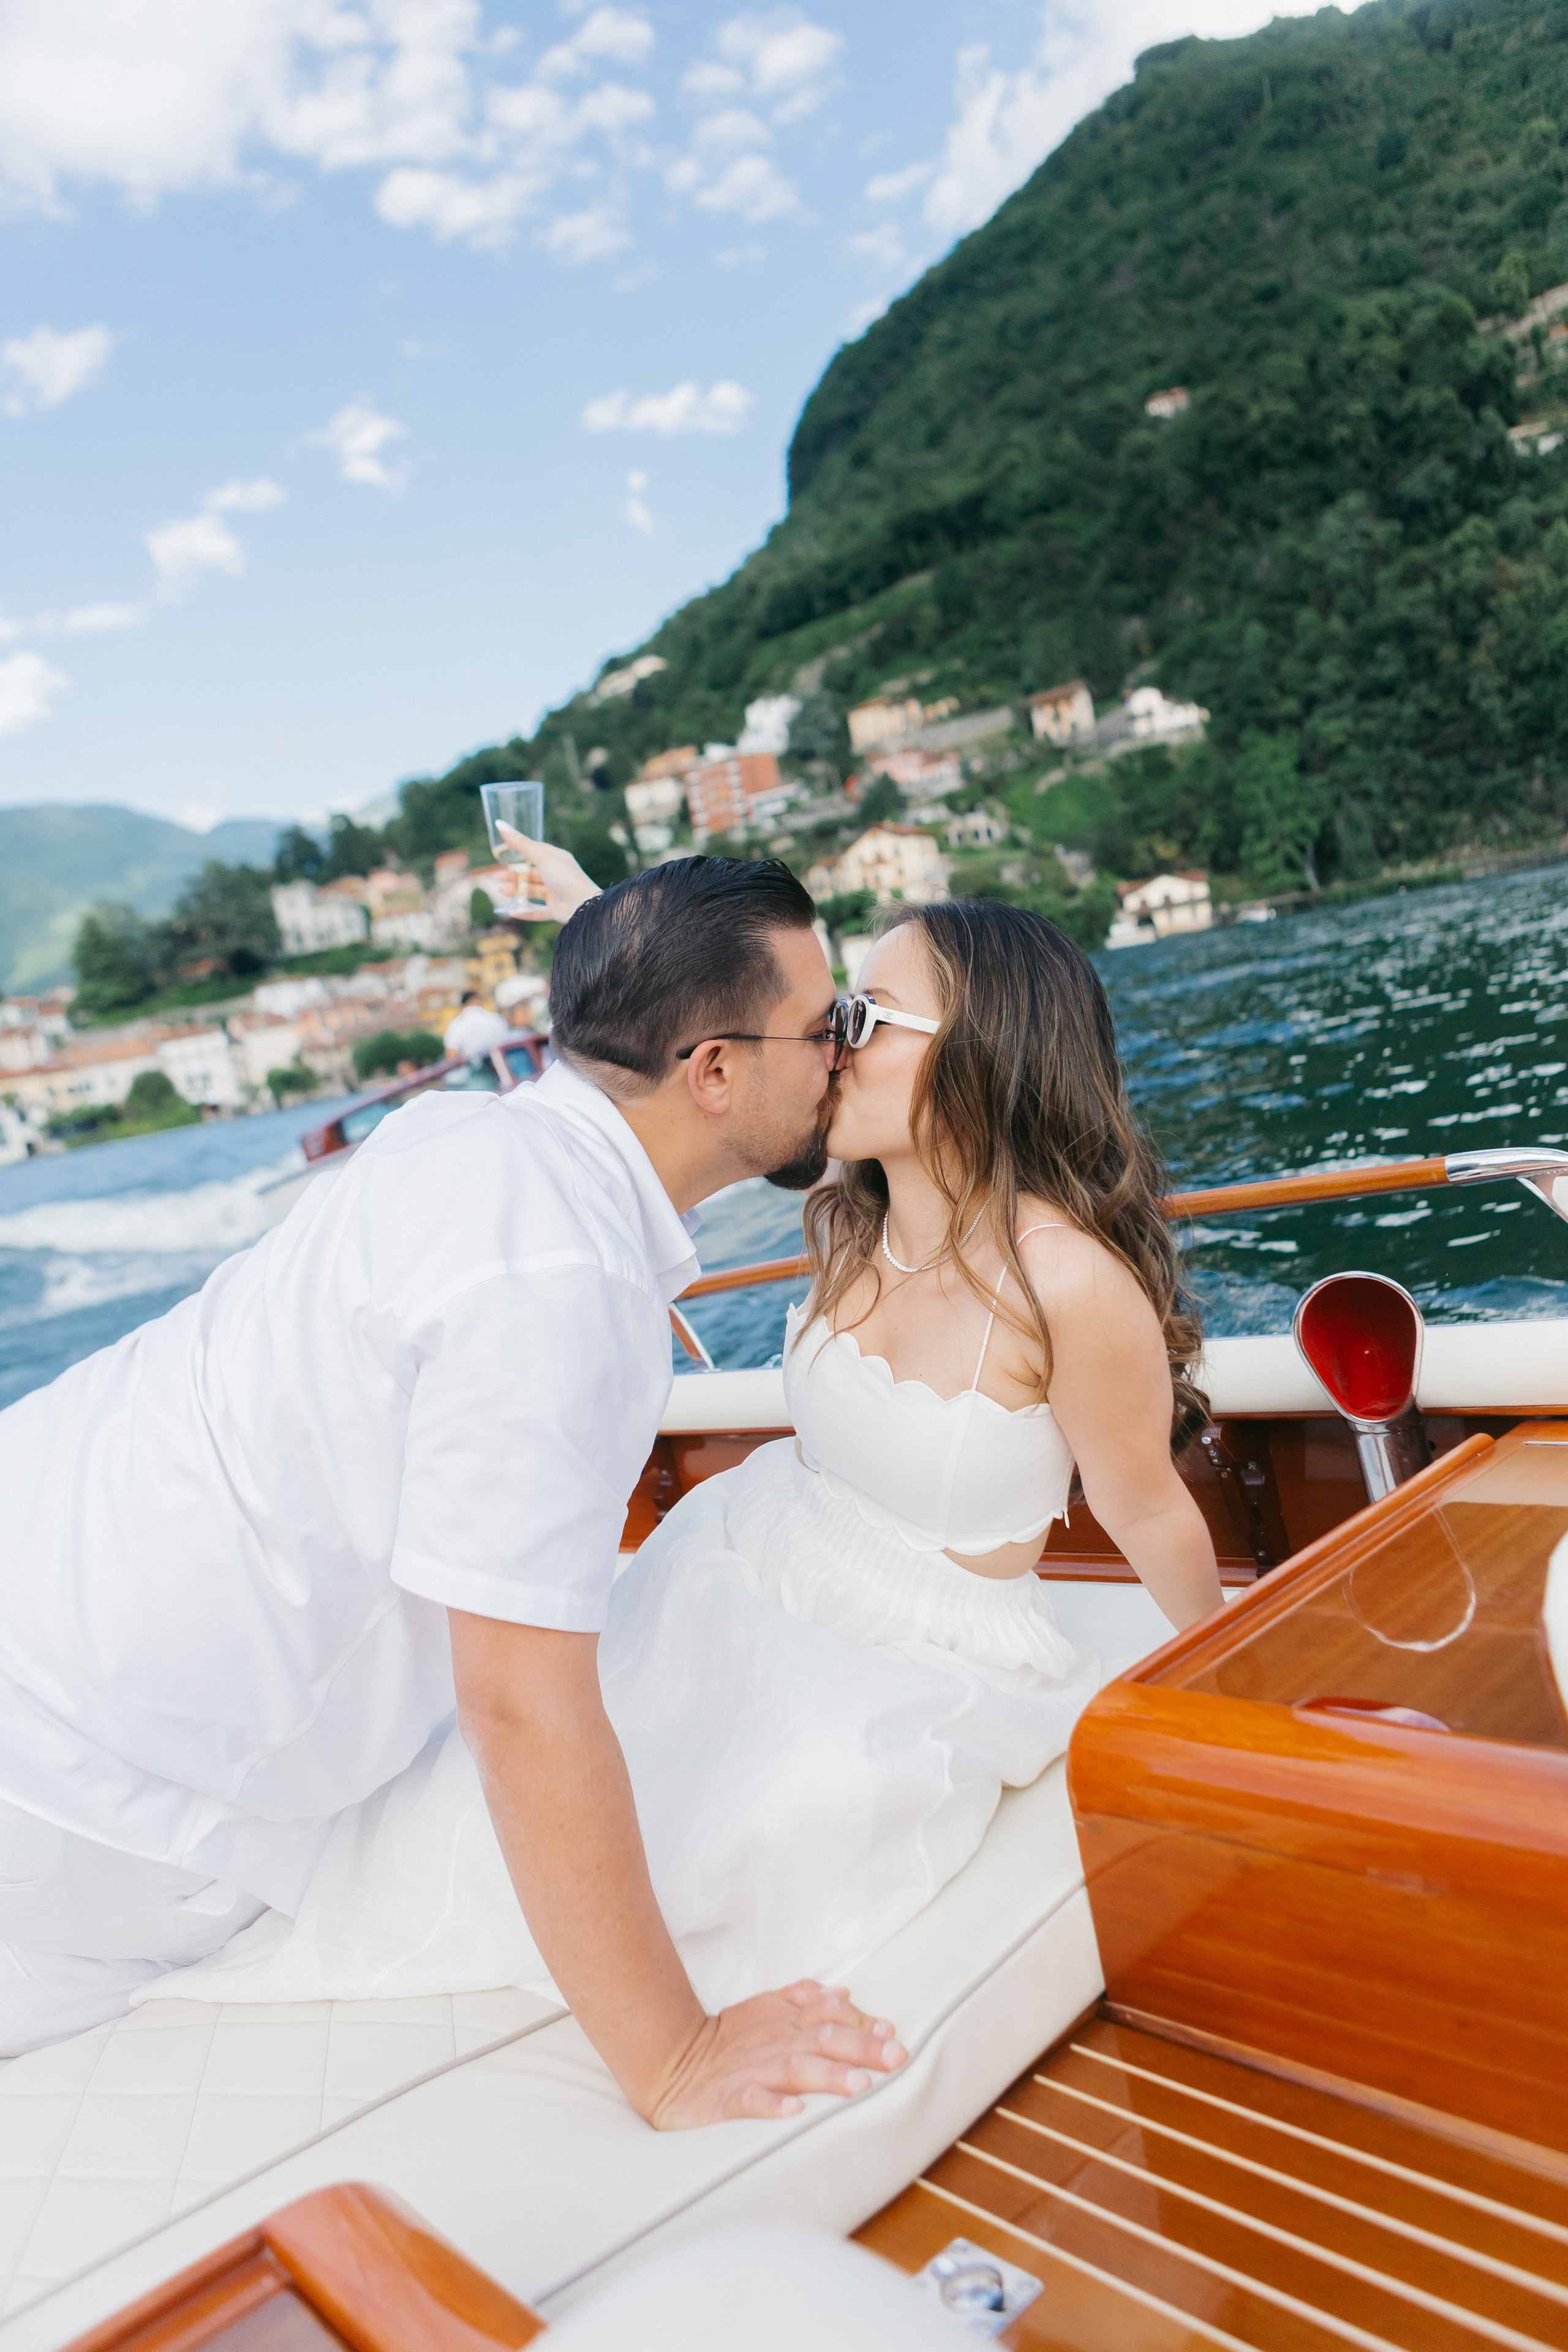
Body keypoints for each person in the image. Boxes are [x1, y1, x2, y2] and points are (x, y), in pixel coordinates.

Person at [139, 869, 1223, 2028]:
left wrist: (1231, 1686)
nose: (829, 1049)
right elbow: (698, 1064)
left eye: (858, 1020)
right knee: (486, 1795)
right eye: (830, 1019)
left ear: (988, 1051)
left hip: (922, 1656)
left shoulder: (1065, 1283)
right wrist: (600, 909)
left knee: (732, 1831)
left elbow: (1149, 1509)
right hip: (745, 1558)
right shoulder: (851, 1217)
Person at [0, 853, 903, 2127]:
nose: (839, 1054)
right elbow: (518, 1708)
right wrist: (675, 2055)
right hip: (69, 1778)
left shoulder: (469, 1137)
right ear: (709, 1071)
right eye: (826, 1029)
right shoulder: (559, 1274)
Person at [442, 991, 511, 1063]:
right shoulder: (497, 1019)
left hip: (472, 1071)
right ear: (479, 1000)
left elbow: (452, 1054)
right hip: (500, 1067)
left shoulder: (458, 1024)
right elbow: (509, 1043)